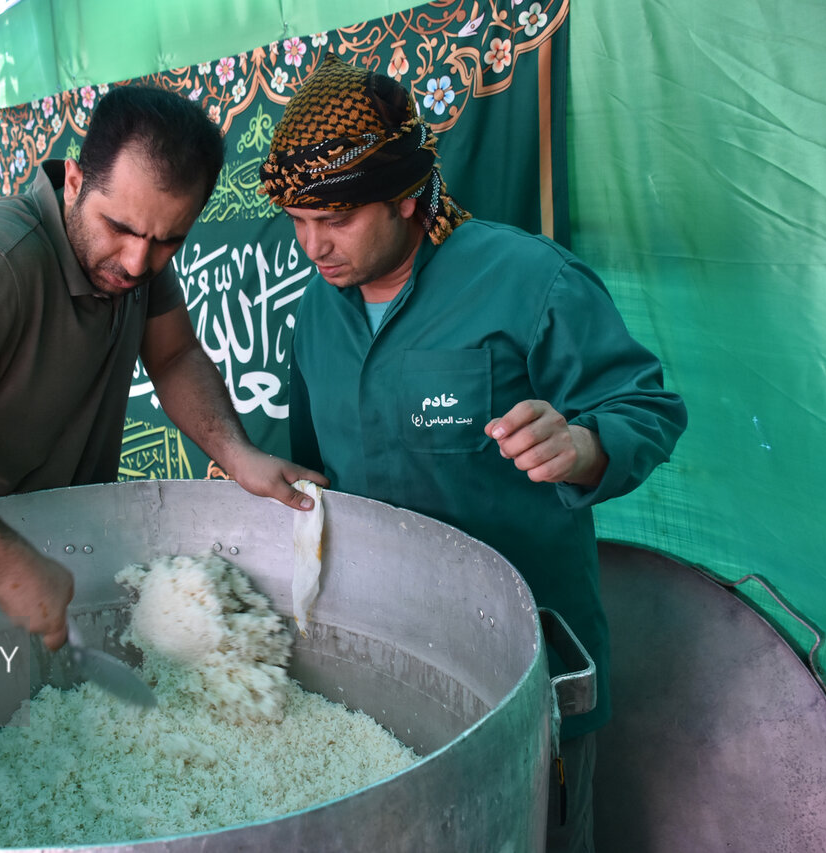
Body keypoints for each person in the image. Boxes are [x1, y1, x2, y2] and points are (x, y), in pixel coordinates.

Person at [259, 56, 687, 851]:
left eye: (337, 219)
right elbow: (316, 469)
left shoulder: (529, 280)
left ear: (407, 196)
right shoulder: (318, 311)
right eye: (297, 220)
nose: (313, 246)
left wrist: (587, 444)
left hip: (528, 671)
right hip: (388, 669)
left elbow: (648, 405)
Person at [0, 85, 327, 653]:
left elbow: (174, 356)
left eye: (168, 242)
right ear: (74, 181)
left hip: (32, 550)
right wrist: (8, 562)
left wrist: (241, 458)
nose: (138, 261)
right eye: (121, 229)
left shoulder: (136, 253)